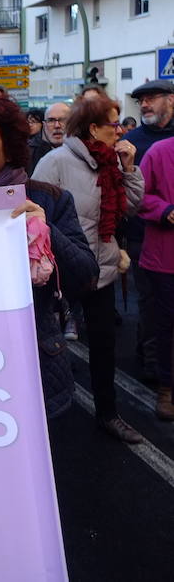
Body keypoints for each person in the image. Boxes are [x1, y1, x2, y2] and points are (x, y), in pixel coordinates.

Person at [0, 93, 97, 418]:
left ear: (8, 146)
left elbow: (86, 278)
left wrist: (46, 232)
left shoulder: (50, 199)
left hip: (33, 362)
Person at [33, 94, 145, 443]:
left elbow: (131, 208)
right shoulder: (56, 162)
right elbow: (36, 218)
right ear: (93, 128)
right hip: (65, 273)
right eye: (113, 124)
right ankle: (40, 420)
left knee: (103, 347)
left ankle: (108, 414)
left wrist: (129, 169)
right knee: (48, 346)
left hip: (103, 270)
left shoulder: (111, 161)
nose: (119, 130)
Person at [123, 80, 174, 380]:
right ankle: (154, 368)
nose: (144, 105)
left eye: (151, 98)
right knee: (151, 305)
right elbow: (130, 191)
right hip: (142, 235)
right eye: (141, 100)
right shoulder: (134, 140)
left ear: (170, 100)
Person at [136, 134, 174, 419]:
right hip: (165, 259)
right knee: (166, 327)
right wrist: (164, 209)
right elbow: (139, 196)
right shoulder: (159, 151)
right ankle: (166, 388)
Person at [28, 102, 69, 176]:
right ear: (44, 125)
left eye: (63, 120)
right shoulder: (29, 153)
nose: (57, 125)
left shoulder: (84, 152)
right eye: (51, 120)